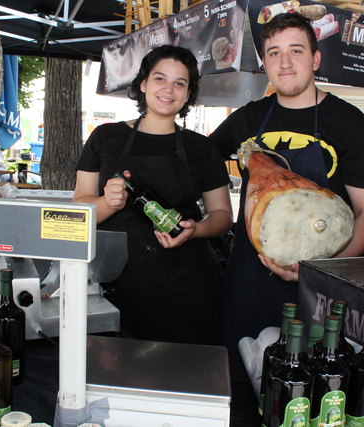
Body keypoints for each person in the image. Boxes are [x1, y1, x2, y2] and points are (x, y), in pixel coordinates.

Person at [208, 13, 364, 425]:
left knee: (305, 394)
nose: (285, 63)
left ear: (316, 59)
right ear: (265, 64)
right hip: (247, 279)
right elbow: (200, 160)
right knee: (237, 391)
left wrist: (317, 273)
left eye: (295, 51)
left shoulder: (351, 125)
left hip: (319, 289)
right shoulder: (250, 118)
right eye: (274, 53)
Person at [73, 45, 233, 344]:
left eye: (179, 83)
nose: (168, 89)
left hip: (187, 286)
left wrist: (196, 229)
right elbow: (80, 210)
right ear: (143, 83)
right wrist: (107, 203)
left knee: (179, 374)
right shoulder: (105, 138)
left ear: (187, 94)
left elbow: (223, 216)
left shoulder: (202, 148)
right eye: (160, 79)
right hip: (115, 284)